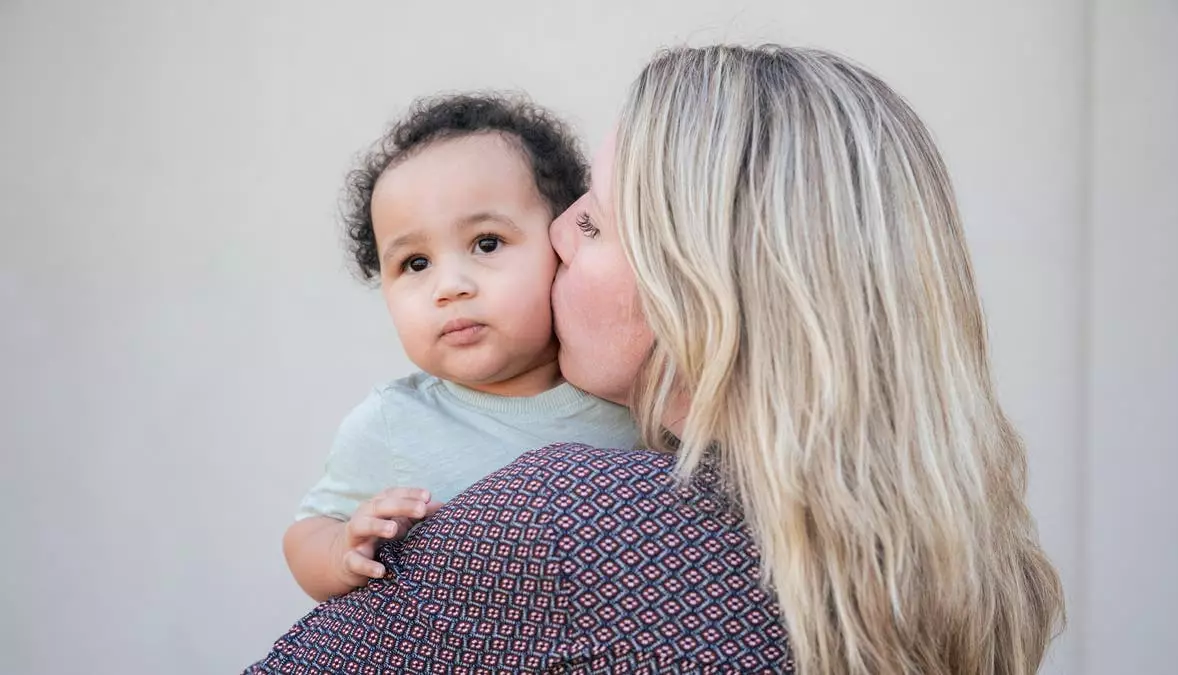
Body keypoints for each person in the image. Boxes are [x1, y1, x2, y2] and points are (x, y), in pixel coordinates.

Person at [249, 45, 1064, 674]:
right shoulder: (948, 564)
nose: (560, 236)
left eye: (595, 222)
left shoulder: (574, 519)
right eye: (413, 262)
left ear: (708, 283)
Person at [284, 95, 638, 602]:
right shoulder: (393, 422)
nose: (449, 286)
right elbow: (305, 533)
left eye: (487, 243)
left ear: (561, 242)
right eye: (415, 264)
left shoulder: (627, 395)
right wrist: (342, 548)